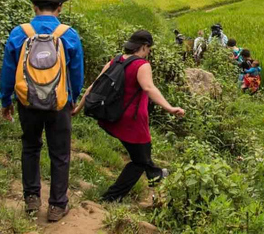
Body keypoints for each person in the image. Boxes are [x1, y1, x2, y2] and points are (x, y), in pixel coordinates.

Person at [0, 0, 84, 222]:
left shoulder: (20, 33)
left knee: (30, 147)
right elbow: (76, 73)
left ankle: (31, 198)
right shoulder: (69, 35)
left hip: (28, 102)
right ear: (60, 9)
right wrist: (72, 98)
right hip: (59, 103)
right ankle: (57, 205)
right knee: (60, 153)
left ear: (34, 8)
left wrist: (6, 101)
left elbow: (8, 71)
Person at [73, 30, 185, 202]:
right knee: (140, 160)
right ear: (144, 46)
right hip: (133, 123)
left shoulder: (115, 60)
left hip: (113, 118)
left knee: (142, 155)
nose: (148, 52)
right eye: (149, 48)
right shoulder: (142, 64)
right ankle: (111, 198)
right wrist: (170, 108)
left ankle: (156, 174)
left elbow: (94, 86)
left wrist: (78, 108)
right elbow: (149, 88)